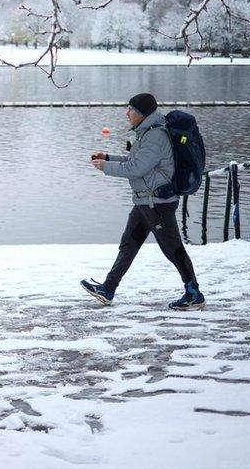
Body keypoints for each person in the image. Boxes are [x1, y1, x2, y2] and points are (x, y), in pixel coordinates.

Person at [82, 93, 205, 311]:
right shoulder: (146, 133)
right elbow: (135, 161)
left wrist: (105, 168)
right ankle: (108, 289)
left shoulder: (155, 136)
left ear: (141, 113)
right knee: (128, 245)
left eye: (130, 109)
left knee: (172, 249)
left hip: (157, 203)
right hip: (145, 201)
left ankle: (193, 293)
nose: (127, 113)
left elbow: (136, 169)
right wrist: (108, 158)